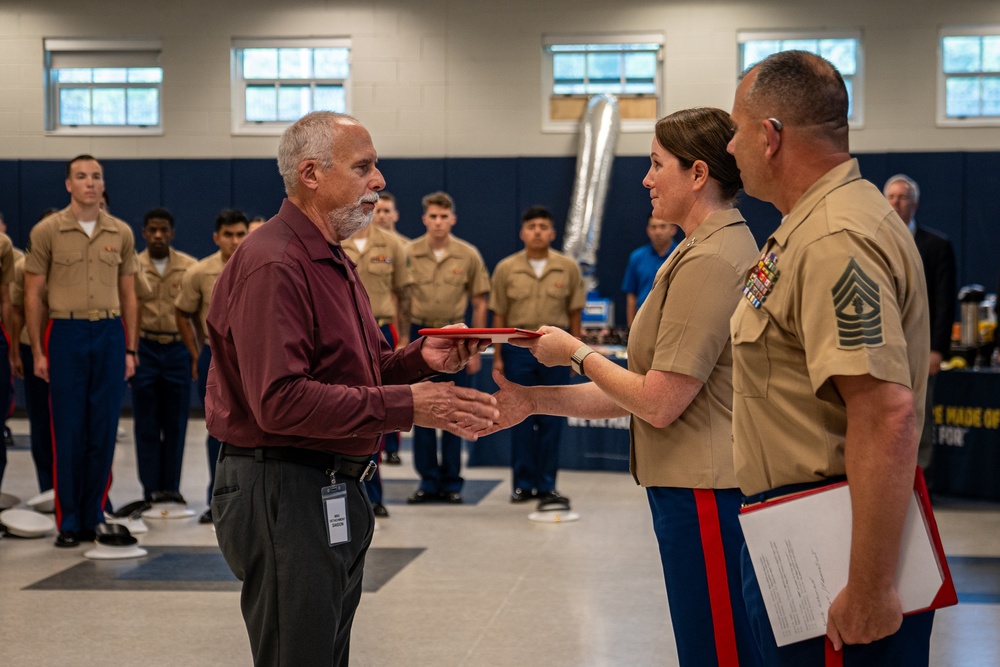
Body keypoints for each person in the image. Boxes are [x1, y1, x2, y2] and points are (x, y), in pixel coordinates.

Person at [206, 111, 498, 666]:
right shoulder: (275, 262)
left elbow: (353, 372)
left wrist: (418, 360)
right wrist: (408, 405)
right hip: (282, 488)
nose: (379, 180)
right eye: (363, 167)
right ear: (311, 174)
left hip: (328, 484)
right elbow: (280, 401)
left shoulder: (329, 258)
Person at [485, 107, 760, 667]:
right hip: (689, 485)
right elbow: (640, 389)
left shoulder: (710, 259)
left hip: (707, 490)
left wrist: (577, 354)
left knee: (718, 649)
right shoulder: (693, 249)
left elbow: (658, 403)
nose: (646, 179)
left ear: (699, 174)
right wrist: (533, 399)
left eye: (657, 165)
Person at [727, 51, 932, 664]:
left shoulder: (833, 238)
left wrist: (869, 587)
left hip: (834, 552)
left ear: (769, 137)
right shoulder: (810, 226)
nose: (730, 148)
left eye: (737, 130)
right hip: (798, 535)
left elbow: (884, 414)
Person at [24, 154, 140, 548]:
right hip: (66, 332)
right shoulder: (47, 231)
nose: (89, 183)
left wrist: (130, 348)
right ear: (68, 185)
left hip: (109, 333)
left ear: (102, 184)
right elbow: (33, 292)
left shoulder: (120, 232)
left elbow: (129, 293)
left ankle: (95, 514)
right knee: (68, 430)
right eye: (81, 176)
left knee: (103, 430)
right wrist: (39, 350)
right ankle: (69, 520)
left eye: (96, 176)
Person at [490, 206, 585, 505]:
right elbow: (499, 315)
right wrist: (498, 357)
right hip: (518, 352)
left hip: (556, 352)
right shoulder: (506, 268)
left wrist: (576, 353)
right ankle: (522, 484)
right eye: (532, 226)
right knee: (519, 417)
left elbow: (575, 314)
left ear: (553, 233)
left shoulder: (567, 267)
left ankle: (546, 484)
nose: (538, 232)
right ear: (522, 232)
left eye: (544, 226)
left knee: (551, 418)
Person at [405, 191, 490, 504]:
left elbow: (480, 301)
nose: (438, 222)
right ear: (424, 219)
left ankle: (452, 481)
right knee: (420, 407)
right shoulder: (408, 252)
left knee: (456, 408)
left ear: (452, 219)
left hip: (456, 336)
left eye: (444, 216)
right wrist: (402, 339)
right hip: (419, 332)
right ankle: (428, 481)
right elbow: (401, 300)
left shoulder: (467, 254)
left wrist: (477, 348)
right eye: (433, 216)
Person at [175, 209, 248, 523]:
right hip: (215, 356)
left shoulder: (258, 264)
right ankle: (216, 500)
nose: (235, 241)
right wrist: (195, 351)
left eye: (240, 234)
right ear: (216, 237)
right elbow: (183, 311)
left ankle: (248, 498)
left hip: (252, 357)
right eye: (228, 235)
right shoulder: (200, 271)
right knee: (217, 428)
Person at [884, 174, 956, 480]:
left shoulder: (937, 246)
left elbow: (944, 300)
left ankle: (920, 478)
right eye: (891, 197)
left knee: (920, 415)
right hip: (886, 347)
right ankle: (890, 477)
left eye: (902, 198)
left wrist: (937, 350)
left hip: (922, 347)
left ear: (915, 204)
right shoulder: (876, 242)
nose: (896, 203)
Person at [343, 212, 414, 511]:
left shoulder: (392, 245)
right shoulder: (335, 239)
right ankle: (345, 490)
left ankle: (373, 497)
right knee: (346, 410)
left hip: (380, 329)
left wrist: (404, 338)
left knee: (378, 412)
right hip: (343, 330)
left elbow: (404, 293)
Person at [132, 208, 197, 502]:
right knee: (146, 423)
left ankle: (171, 487)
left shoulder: (189, 267)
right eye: (152, 230)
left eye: (163, 230)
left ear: (171, 233)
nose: (158, 235)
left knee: (175, 422)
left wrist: (195, 353)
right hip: (144, 348)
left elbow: (195, 314)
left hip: (176, 349)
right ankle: (150, 489)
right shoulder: (131, 264)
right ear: (144, 233)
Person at [9, 210, 60, 494]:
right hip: (33, 349)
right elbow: (16, 311)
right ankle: (47, 488)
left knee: (75, 422)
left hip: (67, 346)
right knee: (40, 421)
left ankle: (75, 487)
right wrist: (15, 351)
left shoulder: (76, 264)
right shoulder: (24, 265)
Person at [621, 216, 678, 327]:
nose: (658, 232)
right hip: (643, 321)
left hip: (672, 321)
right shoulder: (637, 257)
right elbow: (631, 295)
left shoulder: (681, 255)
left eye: (662, 226)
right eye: (654, 227)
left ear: (673, 229)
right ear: (648, 231)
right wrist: (631, 327)